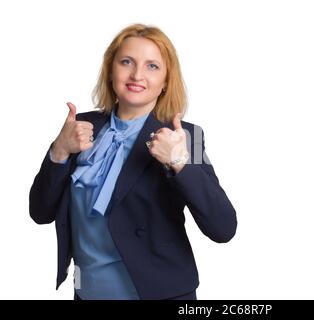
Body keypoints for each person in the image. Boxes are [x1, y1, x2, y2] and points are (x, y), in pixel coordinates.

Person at [29, 23, 237, 300]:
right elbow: (40, 212)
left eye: (152, 66)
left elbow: (223, 228)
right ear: (111, 70)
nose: (137, 74)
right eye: (127, 62)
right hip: (88, 293)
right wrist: (59, 151)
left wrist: (180, 163)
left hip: (159, 294)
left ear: (166, 80)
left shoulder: (186, 136)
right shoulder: (80, 127)